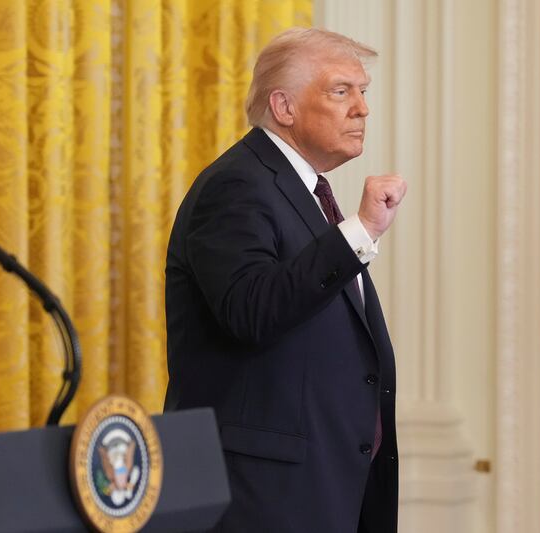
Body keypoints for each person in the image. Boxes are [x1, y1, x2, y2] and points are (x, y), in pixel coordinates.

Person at [163, 27, 407, 533]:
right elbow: (250, 310)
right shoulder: (236, 184)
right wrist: (358, 232)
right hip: (262, 496)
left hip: (329, 484)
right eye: (341, 91)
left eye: (364, 92)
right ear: (284, 106)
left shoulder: (304, 191)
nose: (362, 108)